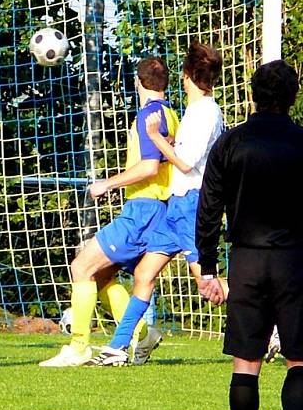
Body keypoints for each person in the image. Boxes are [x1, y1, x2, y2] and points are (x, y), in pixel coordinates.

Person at [87, 41, 226, 366]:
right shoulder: (194, 111)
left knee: (208, 283)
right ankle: (119, 348)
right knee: (144, 274)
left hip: (193, 207)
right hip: (175, 207)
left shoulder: (205, 111)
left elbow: (186, 163)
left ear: (187, 74)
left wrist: (157, 138)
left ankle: (273, 325)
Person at [40, 57, 179, 367]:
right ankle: (141, 334)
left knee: (81, 267)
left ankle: (79, 347)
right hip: (158, 211)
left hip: (143, 211)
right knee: (102, 276)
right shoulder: (169, 113)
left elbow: (148, 167)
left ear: (138, 82)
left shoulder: (148, 115)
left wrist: (107, 184)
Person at [196, 59, 303, 410]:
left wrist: (208, 268)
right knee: (300, 359)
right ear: (293, 96)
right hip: (295, 261)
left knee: (245, 362)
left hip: (246, 262)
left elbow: (208, 209)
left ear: (253, 95)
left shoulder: (230, 144)